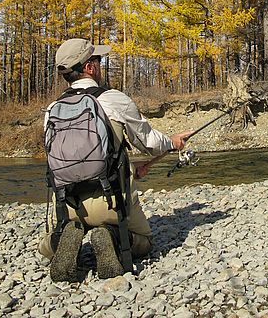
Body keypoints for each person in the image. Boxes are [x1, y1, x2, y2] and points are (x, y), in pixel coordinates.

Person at [38, 38, 194, 282]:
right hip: (111, 201)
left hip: (67, 205)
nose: (101, 65)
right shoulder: (113, 99)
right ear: (90, 67)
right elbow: (150, 143)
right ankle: (112, 236)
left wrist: (130, 168)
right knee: (146, 243)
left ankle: (61, 239)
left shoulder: (52, 109)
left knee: (45, 246)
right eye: (98, 60)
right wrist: (173, 143)